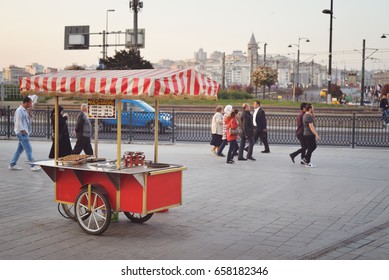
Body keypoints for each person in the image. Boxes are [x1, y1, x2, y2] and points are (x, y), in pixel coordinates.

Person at [9, 96, 41, 171]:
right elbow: (18, 121)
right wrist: (22, 130)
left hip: (24, 132)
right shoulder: (19, 110)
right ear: (26, 103)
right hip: (22, 133)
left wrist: (30, 112)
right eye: (30, 103)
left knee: (19, 150)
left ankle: (12, 164)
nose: (31, 105)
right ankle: (33, 166)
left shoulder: (25, 110)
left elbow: (29, 121)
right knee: (28, 149)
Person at [302, 103, 320, 168]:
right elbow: (311, 127)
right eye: (312, 108)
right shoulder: (309, 116)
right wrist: (316, 134)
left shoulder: (305, 115)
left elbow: (314, 116)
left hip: (306, 134)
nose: (313, 109)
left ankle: (305, 159)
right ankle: (307, 162)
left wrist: (313, 112)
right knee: (311, 147)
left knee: (312, 147)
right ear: (310, 109)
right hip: (309, 134)